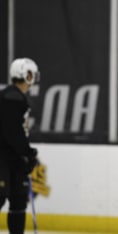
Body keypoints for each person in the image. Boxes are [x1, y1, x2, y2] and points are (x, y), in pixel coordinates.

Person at [0, 58, 40, 234]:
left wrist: (25, 155)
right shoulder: (11, 97)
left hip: (14, 158)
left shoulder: (17, 97)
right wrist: (28, 153)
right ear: (26, 75)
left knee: (19, 199)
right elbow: (12, 132)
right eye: (31, 74)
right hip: (3, 157)